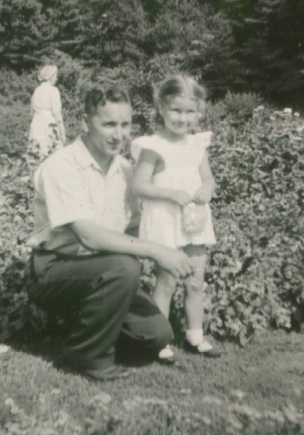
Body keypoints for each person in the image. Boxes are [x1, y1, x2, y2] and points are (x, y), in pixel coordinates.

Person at [27, 84, 196, 381]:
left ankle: (84, 329)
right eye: (108, 124)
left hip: (104, 271)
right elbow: (89, 236)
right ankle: (87, 355)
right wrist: (156, 251)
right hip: (53, 269)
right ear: (84, 122)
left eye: (125, 124)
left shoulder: (126, 171)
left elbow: (134, 228)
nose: (118, 134)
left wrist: (175, 246)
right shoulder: (63, 165)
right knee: (124, 267)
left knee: (157, 335)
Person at [131, 75, 222, 359]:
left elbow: (208, 178)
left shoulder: (198, 144)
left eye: (189, 112)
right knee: (167, 281)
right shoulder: (153, 146)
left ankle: (195, 335)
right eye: (176, 110)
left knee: (195, 279)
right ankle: (161, 339)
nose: (183, 118)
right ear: (161, 108)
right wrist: (170, 193)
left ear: (199, 112)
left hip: (195, 219)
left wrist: (206, 188)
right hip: (165, 219)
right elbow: (139, 185)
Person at [29, 64, 66, 156]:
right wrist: (62, 133)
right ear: (51, 76)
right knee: (53, 153)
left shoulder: (37, 90)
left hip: (36, 123)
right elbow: (57, 113)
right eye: (56, 76)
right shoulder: (53, 91)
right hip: (49, 124)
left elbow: (31, 112)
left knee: (37, 152)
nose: (56, 79)